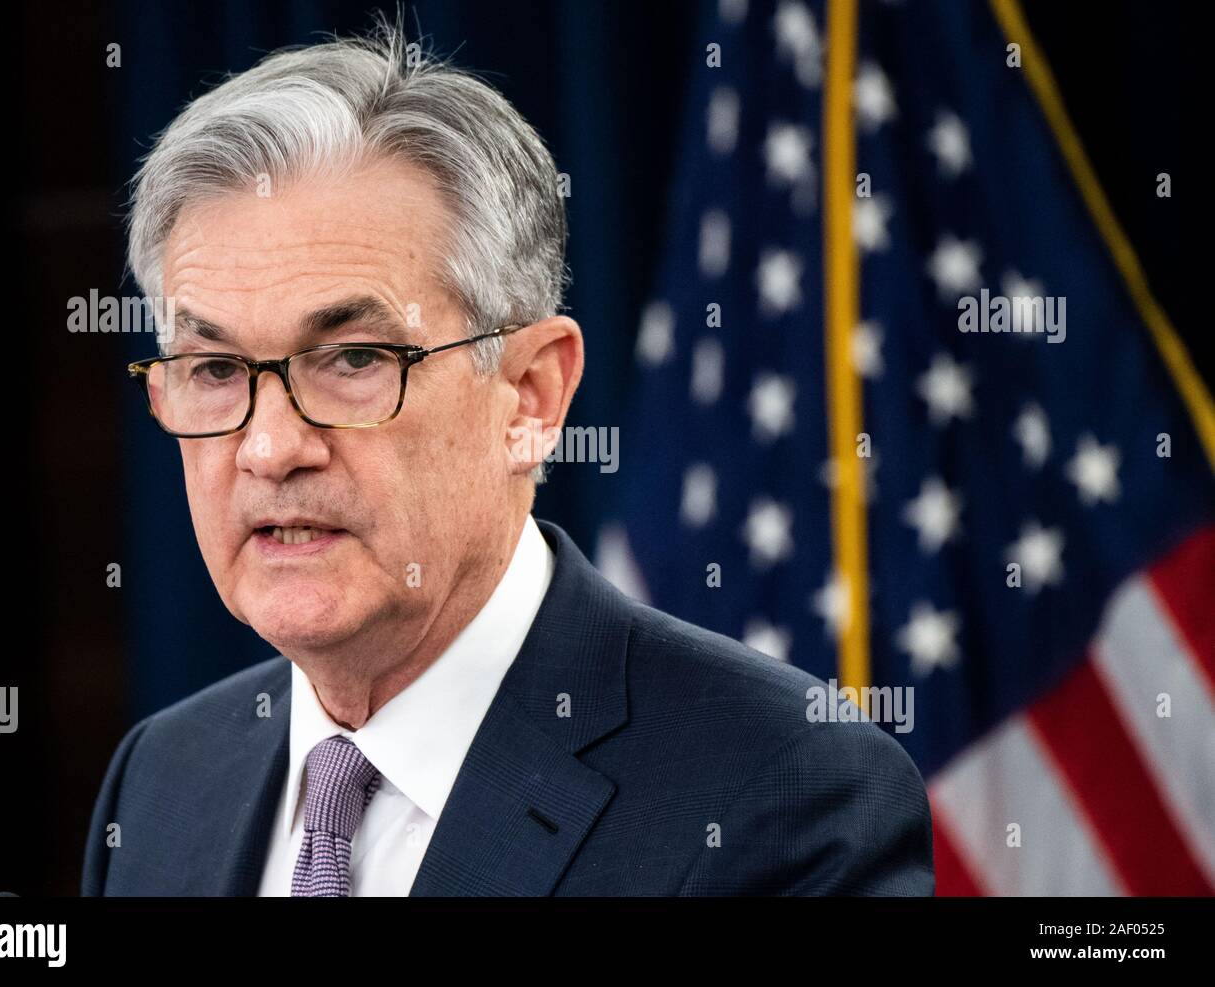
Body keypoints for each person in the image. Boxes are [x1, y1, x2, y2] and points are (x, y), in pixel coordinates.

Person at [82, 14, 934, 896]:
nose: (269, 447)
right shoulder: (161, 780)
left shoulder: (784, 796)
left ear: (530, 394)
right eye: (216, 368)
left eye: (355, 359)